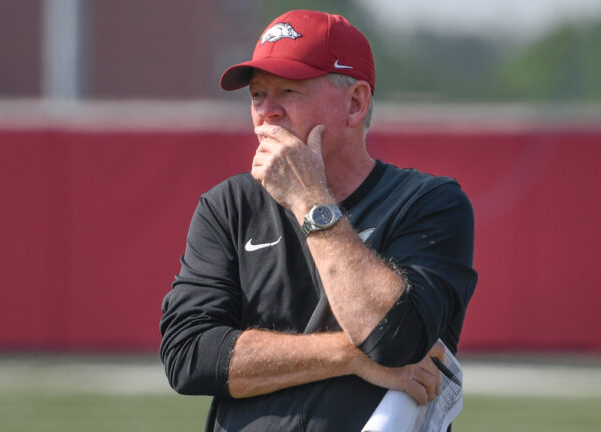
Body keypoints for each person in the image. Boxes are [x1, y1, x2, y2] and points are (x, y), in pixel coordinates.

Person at [159, 9, 477, 431]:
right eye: (257, 95)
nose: (266, 112)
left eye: (288, 91)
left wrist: (310, 199)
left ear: (356, 103)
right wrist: (347, 357)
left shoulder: (428, 203)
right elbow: (190, 357)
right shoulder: (228, 206)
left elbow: (395, 339)